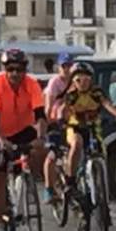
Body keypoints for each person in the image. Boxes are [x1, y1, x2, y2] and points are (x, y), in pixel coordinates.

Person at [0, 48, 47, 231]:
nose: (15, 73)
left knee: (40, 150)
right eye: (10, 69)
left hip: (22, 128)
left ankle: (26, 180)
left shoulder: (32, 84)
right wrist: (2, 141)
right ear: (4, 69)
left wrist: (41, 137)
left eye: (19, 69)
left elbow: (40, 116)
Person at [61, 63, 116, 199]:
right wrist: (60, 114)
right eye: (78, 80)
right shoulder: (71, 94)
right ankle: (70, 180)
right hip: (75, 127)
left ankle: (100, 185)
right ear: (73, 81)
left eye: (86, 80)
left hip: (92, 127)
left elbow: (107, 104)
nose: (83, 84)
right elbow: (63, 108)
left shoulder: (96, 92)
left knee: (101, 152)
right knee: (77, 144)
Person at [42, 52, 74, 203]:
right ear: (58, 67)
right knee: (52, 156)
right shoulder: (55, 83)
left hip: (71, 121)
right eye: (64, 66)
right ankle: (49, 189)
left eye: (69, 66)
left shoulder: (76, 81)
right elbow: (48, 106)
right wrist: (48, 124)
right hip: (55, 120)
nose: (66, 69)